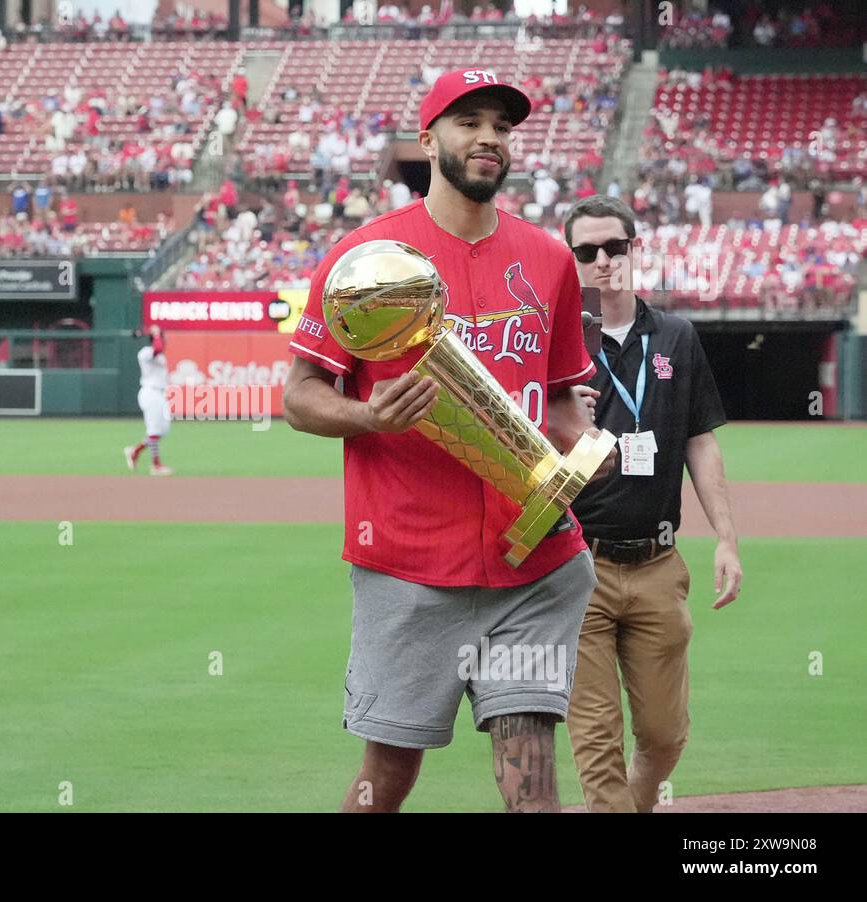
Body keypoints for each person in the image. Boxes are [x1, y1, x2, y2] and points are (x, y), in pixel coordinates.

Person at [284, 69, 610, 813]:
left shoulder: (549, 259)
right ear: (428, 141)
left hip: (532, 562)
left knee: (530, 775)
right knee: (387, 773)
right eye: (469, 122)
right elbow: (300, 396)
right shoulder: (366, 256)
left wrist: (586, 446)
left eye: (501, 124)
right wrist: (371, 417)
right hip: (407, 563)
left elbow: (558, 399)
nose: (489, 137)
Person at [562, 194, 741, 813]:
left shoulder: (676, 336)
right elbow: (517, 447)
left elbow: (699, 438)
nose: (603, 261)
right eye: (586, 251)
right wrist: (560, 419)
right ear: (571, 261)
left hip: (659, 563)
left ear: (635, 249)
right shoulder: (555, 342)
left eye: (615, 246)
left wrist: (726, 538)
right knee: (595, 739)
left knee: (664, 736)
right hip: (576, 565)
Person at [124, 324, 172, 476]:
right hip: (150, 393)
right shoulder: (145, 353)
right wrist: (156, 333)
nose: (164, 340)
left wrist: (155, 333)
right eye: (162, 337)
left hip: (160, 394)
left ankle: (135, 451)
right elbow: (157, 348)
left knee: (163, 430)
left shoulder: (160, 356)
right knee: (154, 430)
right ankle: (155, 465)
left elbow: (159, 349)